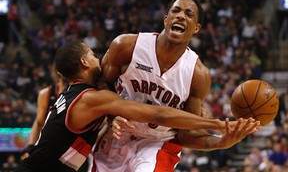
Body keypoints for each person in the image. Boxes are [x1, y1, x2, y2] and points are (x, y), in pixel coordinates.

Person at [15, 41, 259, 172]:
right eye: (93, 54)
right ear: (84, 61)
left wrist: (111, 118)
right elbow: (157, 112)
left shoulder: (73, 95)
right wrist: (216, 123)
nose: (98, 58)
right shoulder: (91, 98)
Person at [92, 0, 262, 172]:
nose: (181, 16)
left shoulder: (197, 74)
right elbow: (102, 82)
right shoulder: (126, 46)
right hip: (118, 135)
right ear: (166, 20)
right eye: (176, 11)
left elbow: (188, 135)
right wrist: (111, 116)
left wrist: (221, 142)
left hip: (158, 143)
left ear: (196, 28)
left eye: (189, 14)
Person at [21, 64, 67, 160]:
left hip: (69, 146)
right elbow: (38, 122)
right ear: (57, 71)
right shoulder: (46, 93)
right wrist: (30, 147)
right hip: (47, 145)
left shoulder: (80, 93)